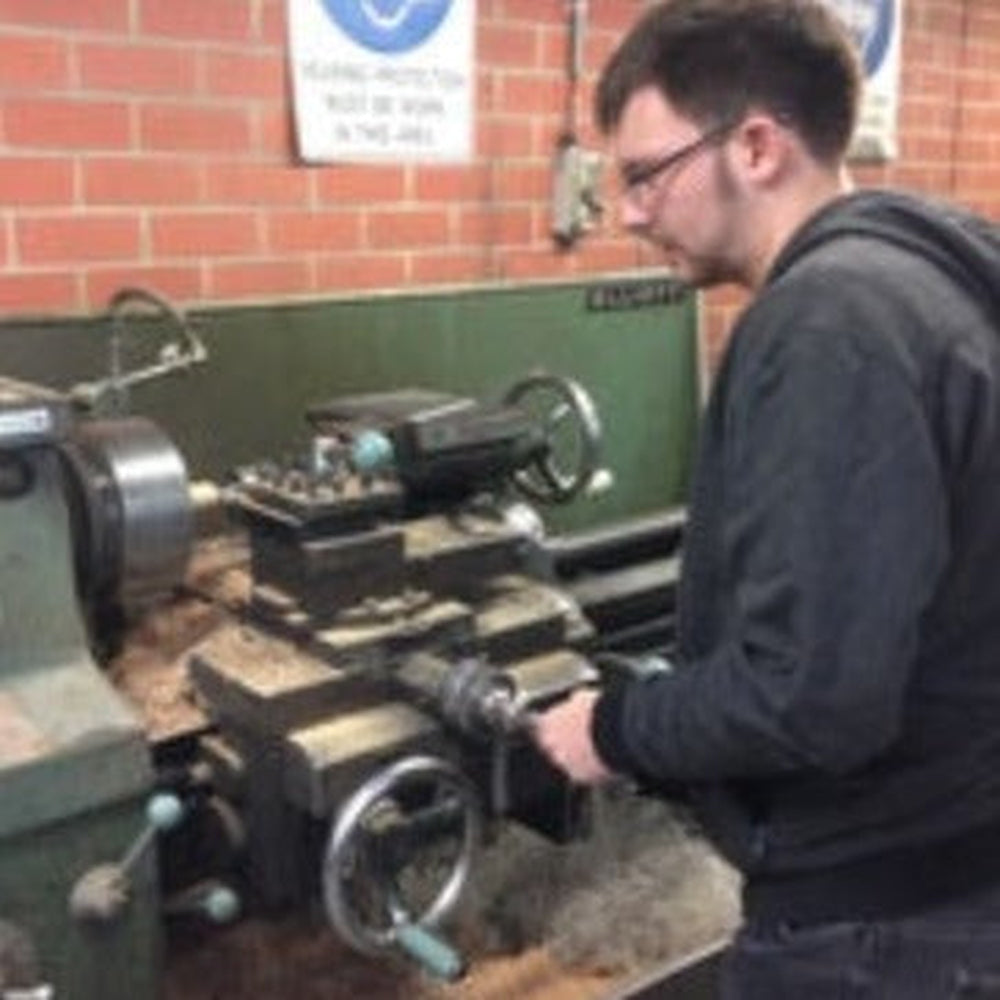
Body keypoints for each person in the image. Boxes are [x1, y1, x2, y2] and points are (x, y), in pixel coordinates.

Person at [531, 1, 1000, 996]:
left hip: (878, 929)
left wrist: (614, 728)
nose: (628, 211)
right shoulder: (931, 276)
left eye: (646, 172)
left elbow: (814, 698)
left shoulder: (831, 322)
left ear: (753, 145)